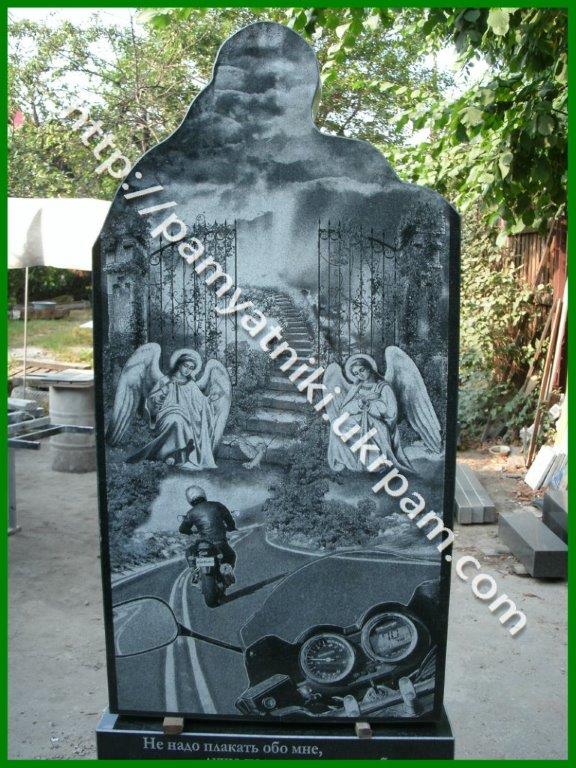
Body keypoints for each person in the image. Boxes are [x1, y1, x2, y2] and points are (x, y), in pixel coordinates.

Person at [178, 485, 237, 582]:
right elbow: (229, 518)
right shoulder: (217, 505)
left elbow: (182, 529)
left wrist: (191, 532)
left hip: (204, 544)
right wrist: (231, 527)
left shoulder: (191, 513)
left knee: (189, 551)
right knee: (231, 555)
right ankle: (226, 571)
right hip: (220, 542)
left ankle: (194, 571)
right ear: (203, 494)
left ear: (189, 500)